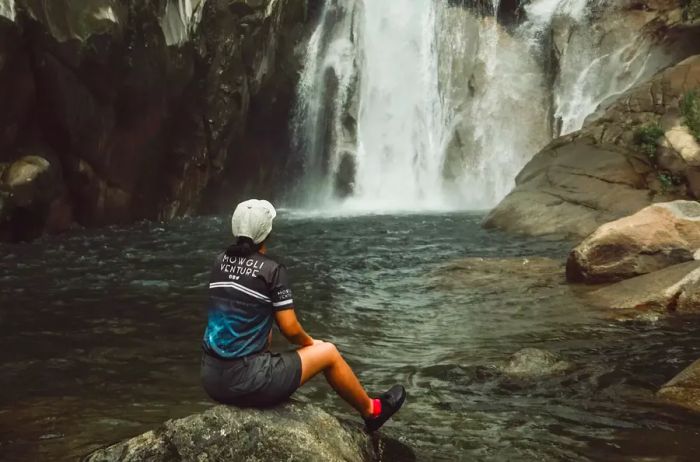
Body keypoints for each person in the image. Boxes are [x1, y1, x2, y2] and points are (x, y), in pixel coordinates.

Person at [200, 199, 406, 432]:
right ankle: (373, 411)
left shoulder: (219, 262)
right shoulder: (271, 270)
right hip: (247, 382)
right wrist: (311, 343)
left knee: (256, 319)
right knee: (328, 352)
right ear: (268, 232)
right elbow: (289, 329)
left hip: (211, 378)